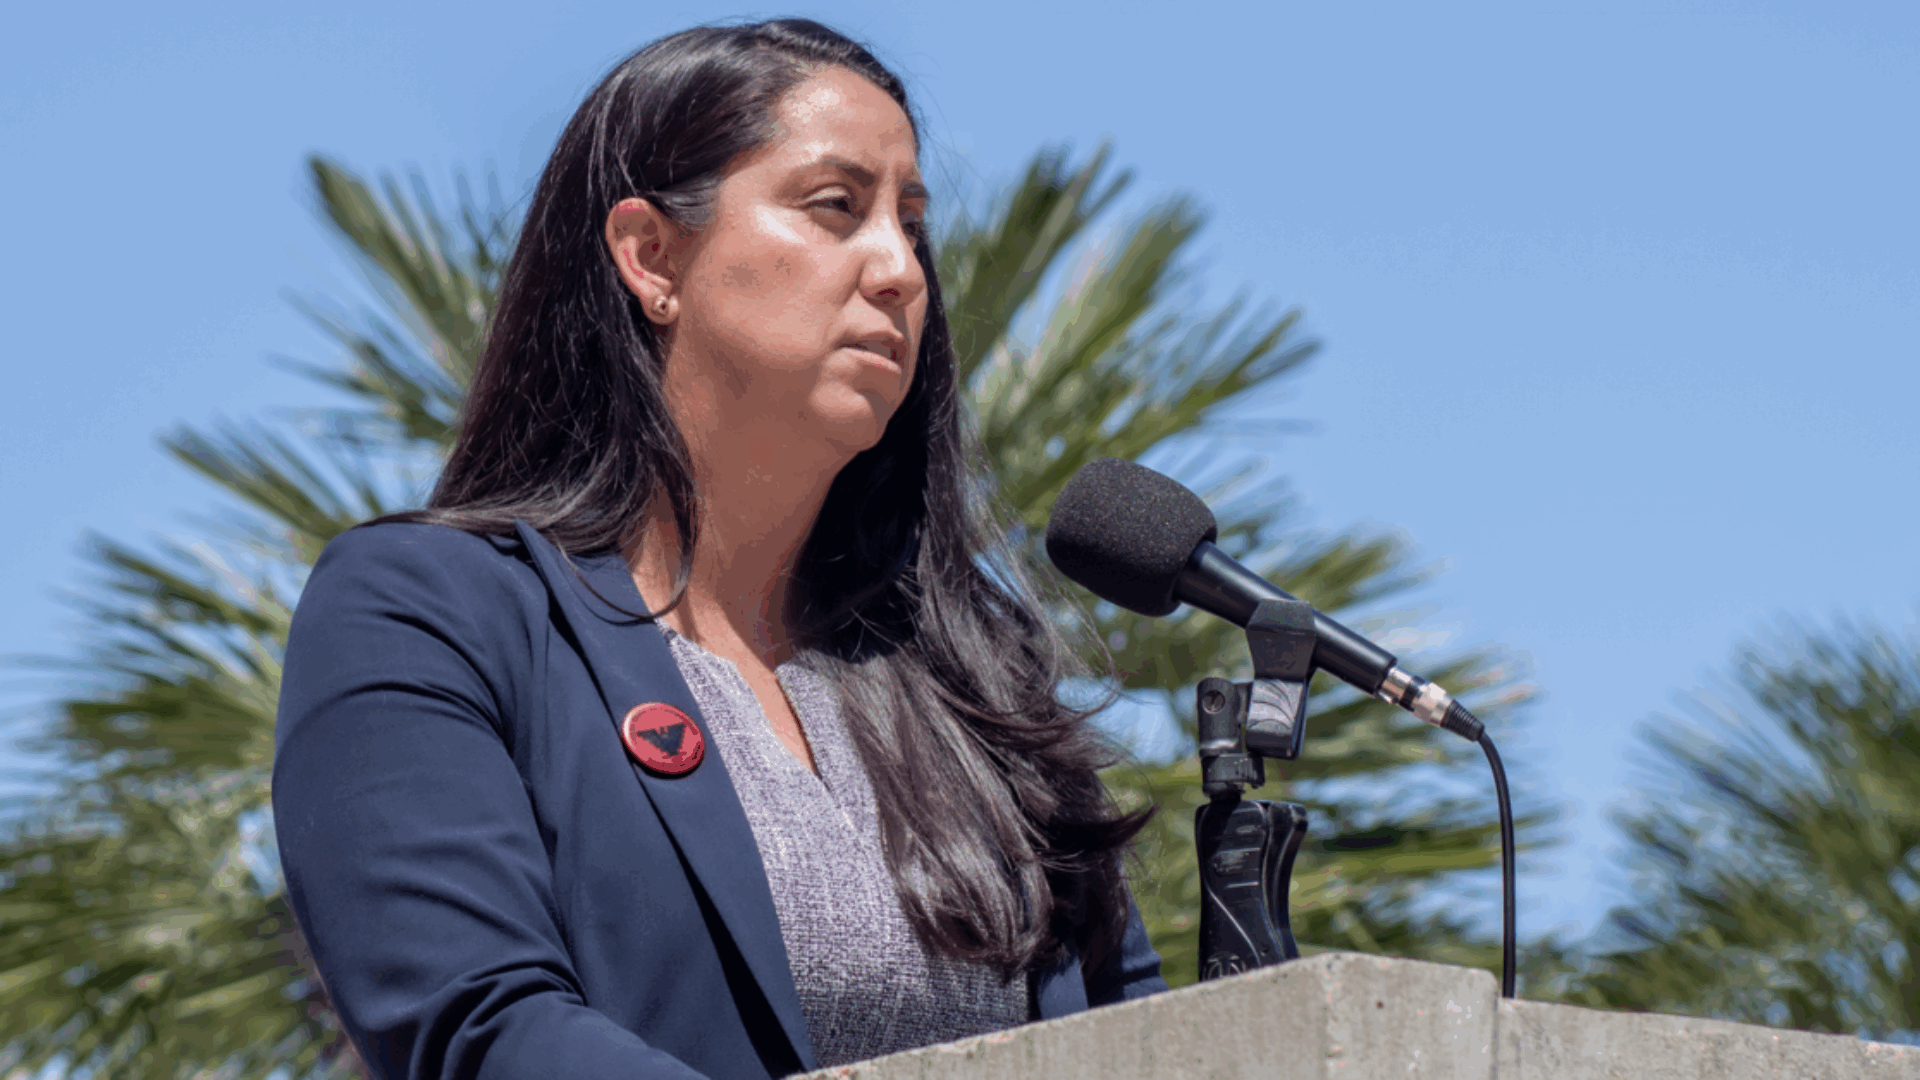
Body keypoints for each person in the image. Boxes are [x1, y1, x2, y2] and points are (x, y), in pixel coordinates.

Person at [271, 18, 1165, 1080]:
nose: (900, 268)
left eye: (912, 222)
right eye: (836, 207)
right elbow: (478, 1028)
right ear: (652, 256)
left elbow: (1136, 1039)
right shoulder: (432, 614)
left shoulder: (974, 684)